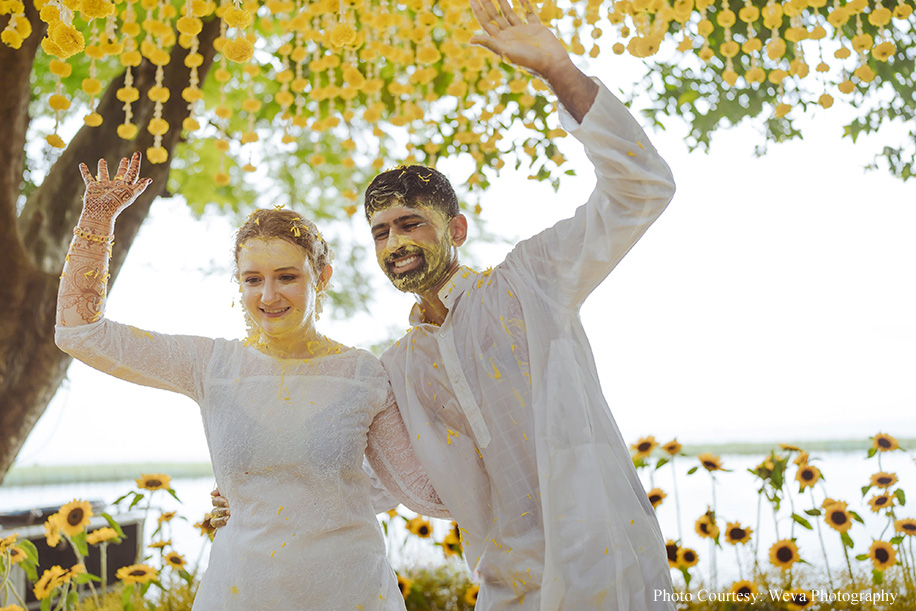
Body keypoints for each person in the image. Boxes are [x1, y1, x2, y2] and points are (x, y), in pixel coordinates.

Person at [362, 0, 677, 608]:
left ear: (455, 230)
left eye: (410, 223)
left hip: (603, 566)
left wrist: (559, 69)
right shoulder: (396, 369)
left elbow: (643, 189)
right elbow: (378, 479)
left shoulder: (530, 283)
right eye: (380, 232)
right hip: (505, 587)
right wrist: (256, 494)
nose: (396, 242)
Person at [54, 152, 448, 610]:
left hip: (351, 590)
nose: (268, 295)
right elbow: (80, 333)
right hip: (242, 590)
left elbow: (419, 488)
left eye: (287, 277)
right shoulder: (211, 365)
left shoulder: (362, 373)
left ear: (321, 277)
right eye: (252, 279)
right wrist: (97, 219)